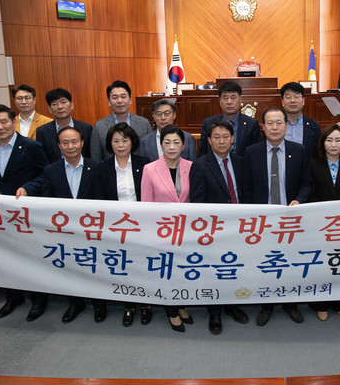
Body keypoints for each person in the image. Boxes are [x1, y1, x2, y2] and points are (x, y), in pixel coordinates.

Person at [0, 104, 49, 318]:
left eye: (3, 121)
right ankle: (13, 296)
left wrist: (28, 188)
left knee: (31, 257)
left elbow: (45, 174)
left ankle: (38, 300)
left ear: (13, 121)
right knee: (4, 256)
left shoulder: (31, 146)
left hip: (22, 211)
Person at [242, 107, 311, 326]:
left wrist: (299, 200)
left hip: (290, 218)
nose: (274, 127)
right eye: (270, 123)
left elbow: (307, 183)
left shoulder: (299, 150)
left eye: (279, 123)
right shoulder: (251, 152)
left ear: (286, 126)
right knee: (266, 262)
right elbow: (246, 187)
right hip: (262, 220)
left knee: (289, 261)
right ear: (263, 126)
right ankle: (267, 304)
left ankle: (290, 303)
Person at [189, 120, 250, 334]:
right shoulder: (200, 165)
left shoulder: (241, 161)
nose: (221, 141)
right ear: (209, 140)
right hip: (214, 230)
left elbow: (246, 194)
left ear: (233, 139)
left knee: (234, 269)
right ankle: (214, 312)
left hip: (240, 227)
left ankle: (232, 305)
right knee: (214, 271)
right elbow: (197, 201)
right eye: (216, 137)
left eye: (225, 137)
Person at [41, 127, 105, 324]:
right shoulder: (51, 170)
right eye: (65, 143)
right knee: (70, 267)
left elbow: (102, 199)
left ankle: (99, 304)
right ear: (59, 146)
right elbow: (47, 200)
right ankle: (75, 303)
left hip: (91, 230)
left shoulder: (97, 167)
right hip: (64, 230)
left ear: (82, 143)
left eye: (75, 142)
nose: (71, 146)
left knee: (94, 266)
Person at [93, 122, 152, 327]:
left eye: (124, 140)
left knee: (142, 266)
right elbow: (99, 200)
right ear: (110, 144)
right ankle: (129, 305)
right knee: (124, 266)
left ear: (132, 142)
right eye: (116, 140)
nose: (120, 144)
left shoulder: (145, 164)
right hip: (116, 227)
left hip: (142, 225)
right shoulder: (102, 168)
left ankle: (146, 304)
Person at [141, 125, 194, 332]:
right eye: (167, 142)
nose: (172, 147)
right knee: (166, 272)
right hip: (161, 233)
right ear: (160, 145)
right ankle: (171, 311)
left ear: (183, 145)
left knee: (182, 271)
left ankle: (180, 305)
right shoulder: (149, 169)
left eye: (176, 142)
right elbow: (146, 205)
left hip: (186, 232)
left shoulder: (192, 166)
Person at [308, 124, 340, 321]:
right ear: (322, 143)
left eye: (338, 140)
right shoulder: (313, 164)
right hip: (319, 224)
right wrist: (323, 214)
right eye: (329, 140)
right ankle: (320, 304)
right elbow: (310, 192)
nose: (333, 144)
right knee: (321, 265)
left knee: (339, 263)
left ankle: (338, 302)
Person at [90, 80, 153, 162]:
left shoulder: (144, 123)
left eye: (123, 97)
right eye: (115, 97)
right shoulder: (99, 126)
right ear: (109, 102)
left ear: (130, 100)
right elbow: (96, 159)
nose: (119, 101)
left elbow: (150, 153)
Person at [198, 81, 261, 157]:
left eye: (233, 98)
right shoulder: (208, 123)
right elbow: (203, 154)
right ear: (219, 101)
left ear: (240, 99)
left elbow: (256, 154)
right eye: (225, 98)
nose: (229, 102)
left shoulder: (252, 124)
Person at [35, 88, 92, 163]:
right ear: (49, 109)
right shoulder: (42, 131)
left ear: (72, 105)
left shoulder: (86, 128)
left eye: (63, 102)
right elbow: (41, 159)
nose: (60, 107)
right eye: (54, 104)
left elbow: (90, 155)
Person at [281, 81, 321, 159]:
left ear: (303, 101)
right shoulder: (274, 125)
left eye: (296, 97)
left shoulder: (314, 126)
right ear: (282, 102)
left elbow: (317, 154)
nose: (292, 100)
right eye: (288, 97)